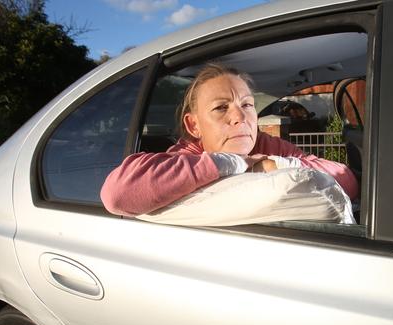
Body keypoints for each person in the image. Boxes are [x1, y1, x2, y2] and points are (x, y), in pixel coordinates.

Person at [101, 63, 359, 217]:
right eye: (220, 108)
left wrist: (275, 165)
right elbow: (118, 193)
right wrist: (233, 163)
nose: (240, 116)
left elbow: (345, 178)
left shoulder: (268, 146)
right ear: (194, 125)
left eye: (247, 104)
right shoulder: (187, 155)